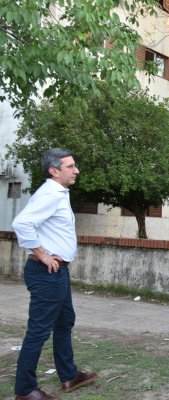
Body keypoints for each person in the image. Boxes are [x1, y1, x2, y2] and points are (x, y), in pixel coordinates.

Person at [12, 148, 97, 400]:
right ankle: (25, 390)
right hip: (46, 272)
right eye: (70, 166)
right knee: (38, 331)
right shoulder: (51, 193)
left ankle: (69, 375)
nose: (76, 170)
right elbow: (21, 223)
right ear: (54, 170)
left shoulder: (58, 193)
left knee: (64, 322)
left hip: (57, 272)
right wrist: (42, 254)